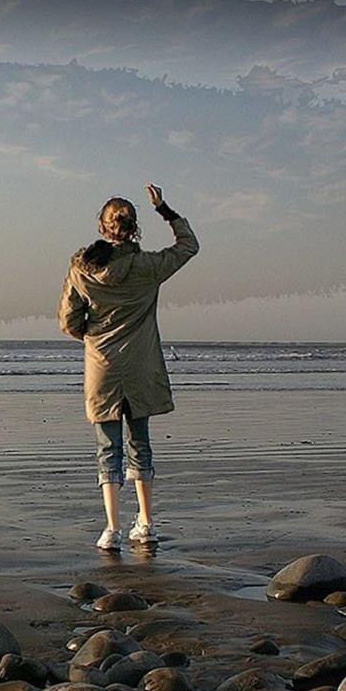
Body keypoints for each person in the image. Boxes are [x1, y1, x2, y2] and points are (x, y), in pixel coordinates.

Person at [58, 183, 199, 551]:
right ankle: (147, 522)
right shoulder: (148, 267)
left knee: (108, 448)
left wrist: (90, 334)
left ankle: (112, 527)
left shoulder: (82, 270)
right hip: (140, 364)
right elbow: (188, 247)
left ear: (102, 227)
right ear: (133, 228)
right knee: (140, 444)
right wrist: (165, 209)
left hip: (102, 365)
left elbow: (68, 321)